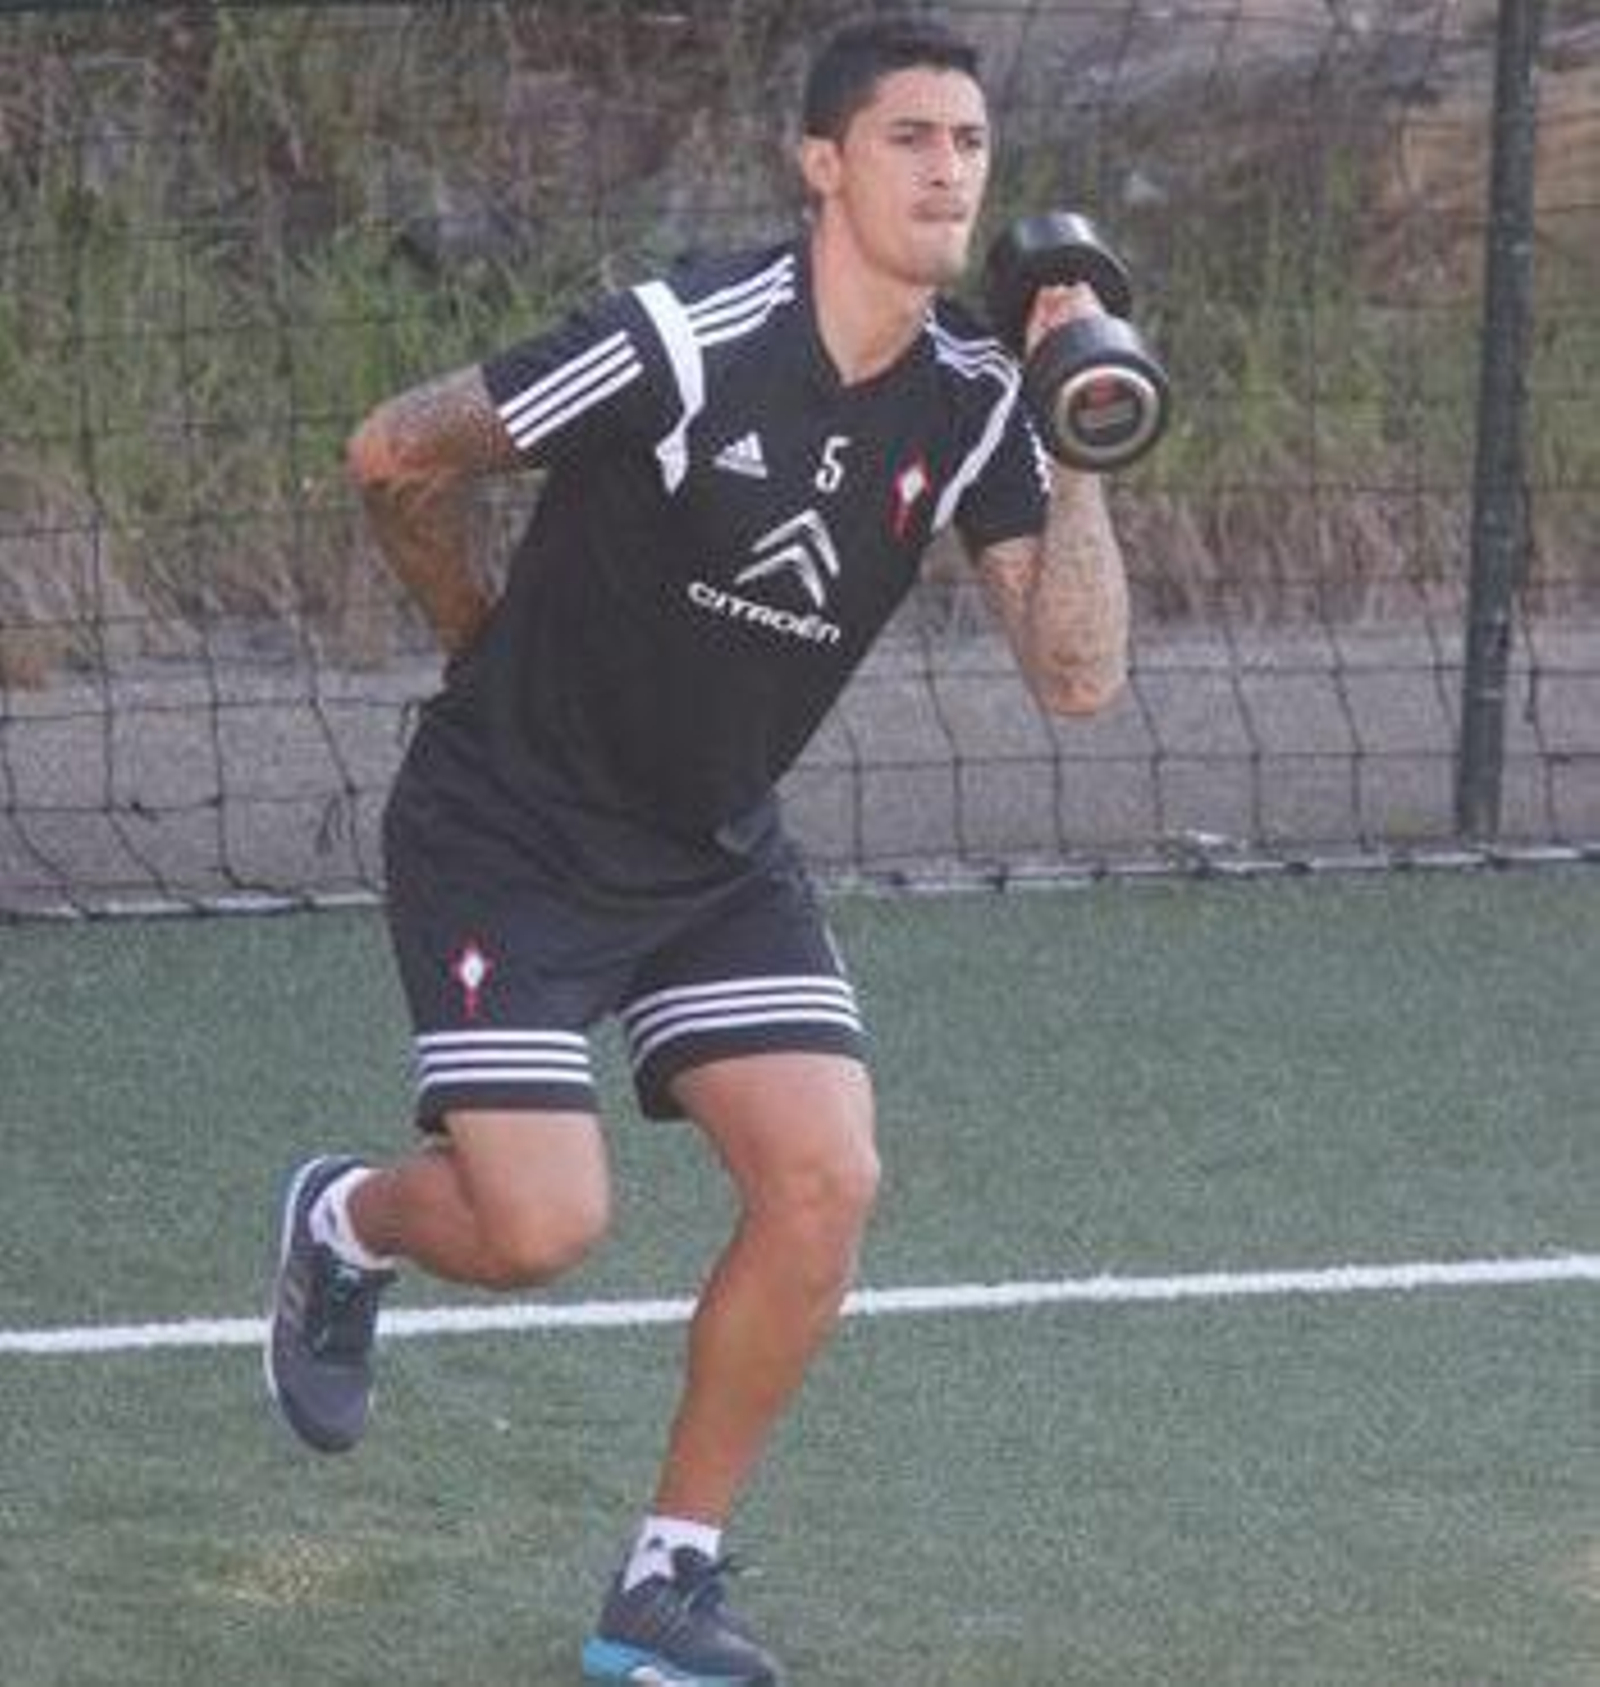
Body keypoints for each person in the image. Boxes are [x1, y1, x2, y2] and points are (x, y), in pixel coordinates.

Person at [266, 12, 1129, 1683]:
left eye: (969, 142)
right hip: (509, 827)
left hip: (713, 852)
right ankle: (347, 1223)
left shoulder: (972, 398)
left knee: (825, 1181)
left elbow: (1079, 678)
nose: (949, 170)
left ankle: (666, 1579)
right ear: (821, 164)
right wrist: (474, 633)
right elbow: (392, 448)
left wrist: (1081, 426)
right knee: (538, 1230)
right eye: (909, 138)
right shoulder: (682, 340)